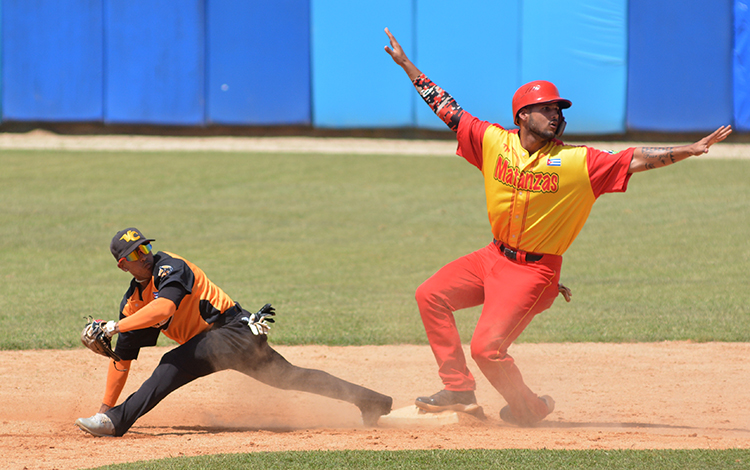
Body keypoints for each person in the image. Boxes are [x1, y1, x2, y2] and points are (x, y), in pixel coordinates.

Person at [383, 27, 732, 426]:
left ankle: (529, 410)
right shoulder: (494, 143)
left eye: (559, 110)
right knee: (431, 294)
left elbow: (635, 158)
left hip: (533, 271)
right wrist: (407, 65)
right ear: (522, 116)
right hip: (492, 257)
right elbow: (448, 109)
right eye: (547, 108)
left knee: (486, 348)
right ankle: (459, 389)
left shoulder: (578, 162)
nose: (556, 115)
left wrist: (687, 149)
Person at [75, 227, 392, 437]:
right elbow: (121, 360)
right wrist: (103, 406)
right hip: (216, 344)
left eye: (144, 247)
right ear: (122, 265)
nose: (142, 255)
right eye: (133, 254)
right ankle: (373, 401)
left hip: (236, 331)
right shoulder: (132, 304)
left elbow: (165, 309)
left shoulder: (170, 267)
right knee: (290, 377)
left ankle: (117, 423)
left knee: (173, 362)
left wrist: (112, 327)